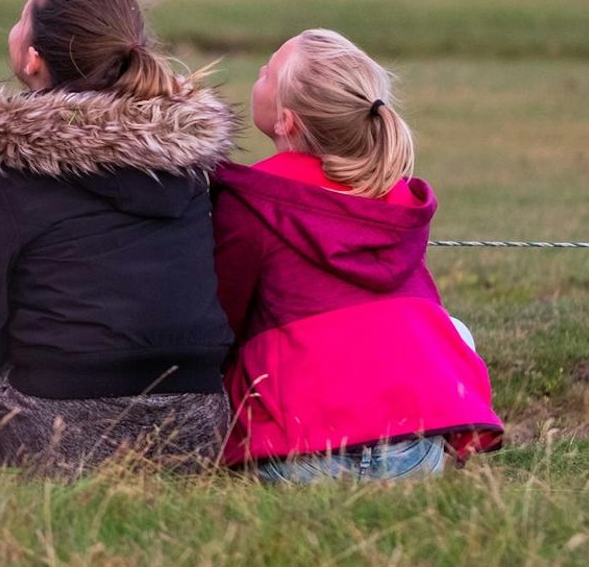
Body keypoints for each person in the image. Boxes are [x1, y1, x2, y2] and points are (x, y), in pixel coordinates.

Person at [0, 0, 236, 476]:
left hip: (56, 433)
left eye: (20, 17)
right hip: (196, 428)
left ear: (33, 59)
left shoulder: (3, 171)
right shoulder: (188, 165)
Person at [214, 28, 503, 482]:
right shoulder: (395, 199)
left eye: (267, 72)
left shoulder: (250, 200)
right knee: (451, 329)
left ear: (286, 121)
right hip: (413, 454)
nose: (258, 73)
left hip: (301, 457)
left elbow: (221, 321)